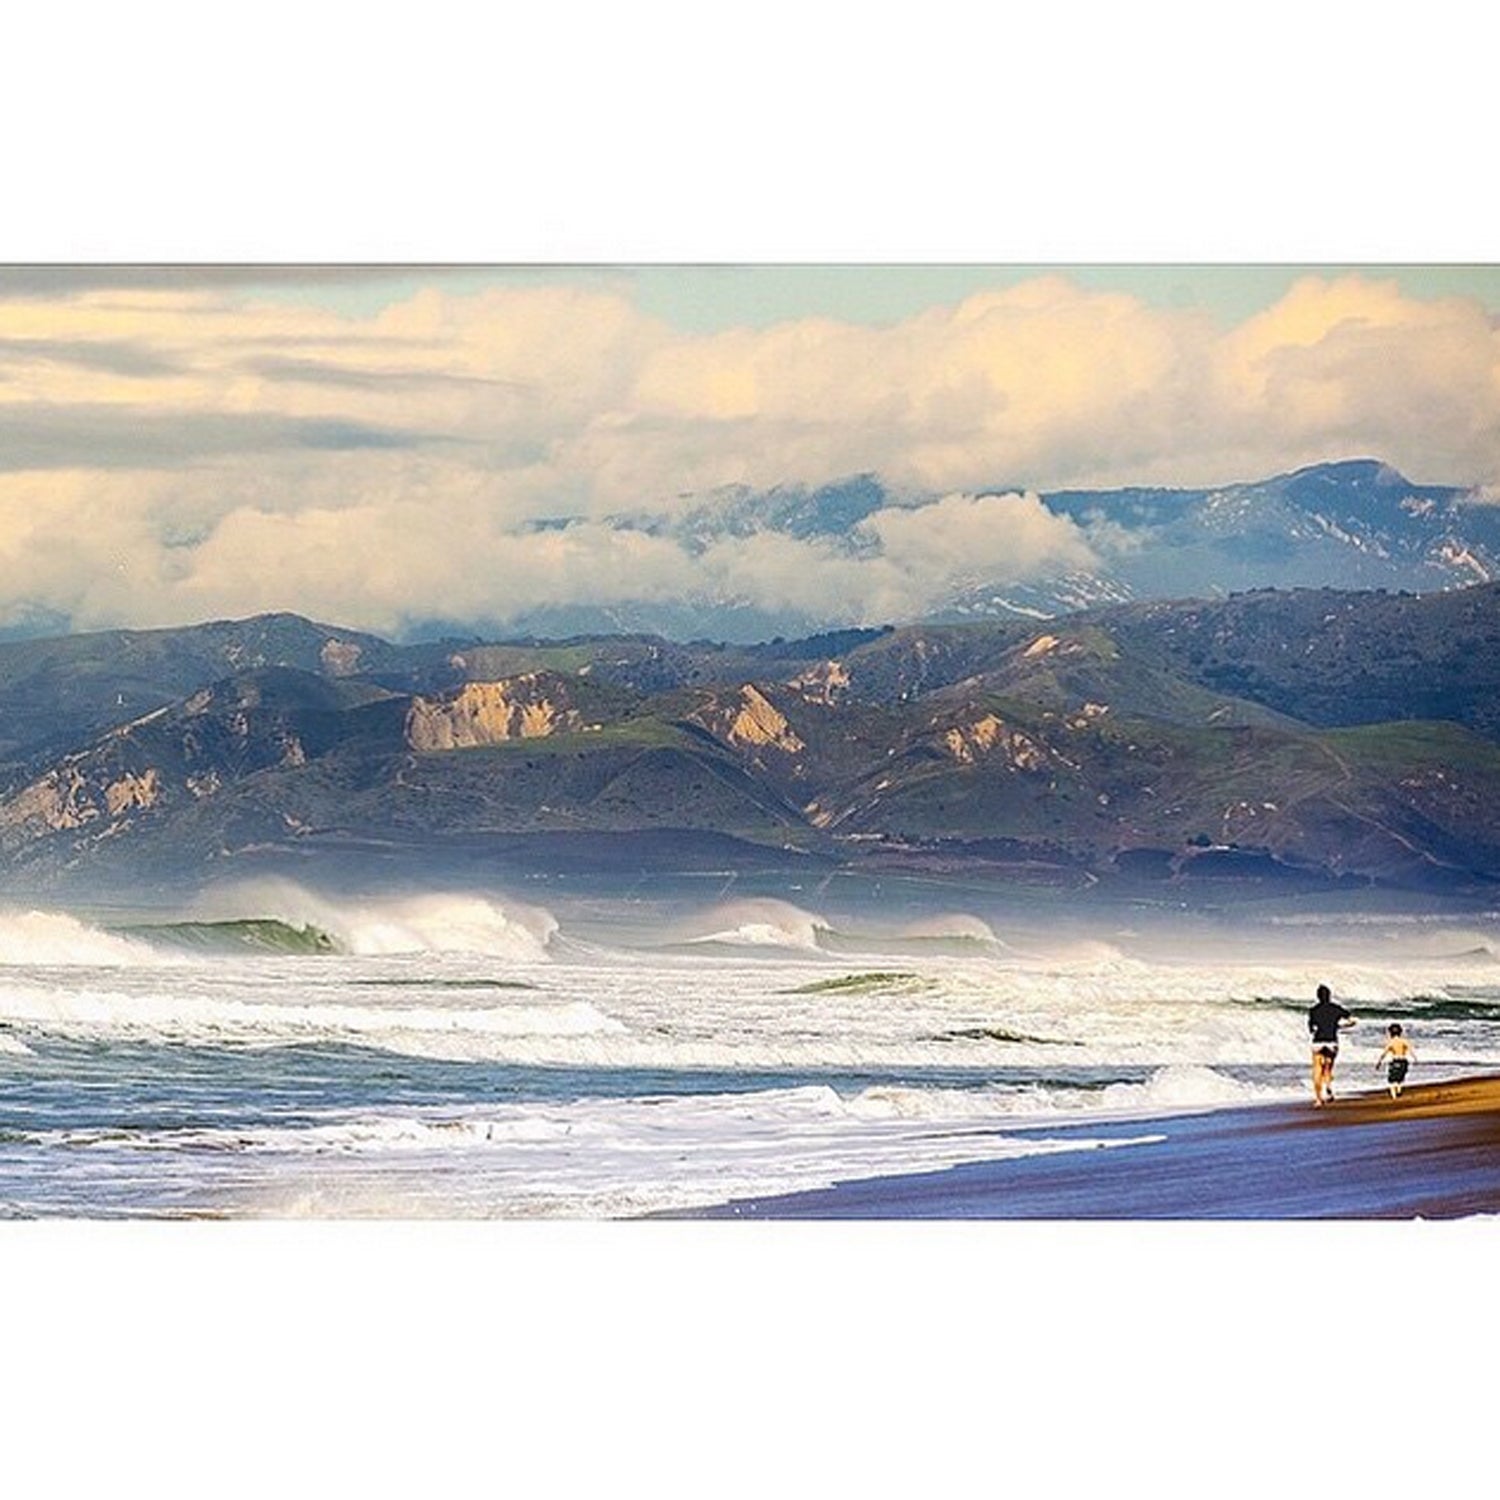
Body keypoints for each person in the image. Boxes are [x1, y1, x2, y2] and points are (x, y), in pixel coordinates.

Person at [1307, 983, 1355, 1106]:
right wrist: (1339, 1026)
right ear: (1329, 996)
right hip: (1331, 1041)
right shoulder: (1336, 1008)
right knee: (1328, 1068)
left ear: (1318, 996)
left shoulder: (1313, 1010)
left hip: (1318, 1041)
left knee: (1317, 1069)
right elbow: (1352, 1020)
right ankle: (1328, 1089)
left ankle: (1318, 1099)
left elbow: (1311, 1028)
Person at [1375, 1023, 1415, 1099]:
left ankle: (1394, 1096)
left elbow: (1384, 1054)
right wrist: (1415, 1058)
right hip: (1403, 1061)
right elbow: (1410, 1050)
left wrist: (1379, 1063)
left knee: (1392, 1080)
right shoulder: (1404, 1041)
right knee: (1400, 1078)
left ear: (1390, 1033)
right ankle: (1399, 1090)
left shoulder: (1391, 1042)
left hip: (1395, 1061)